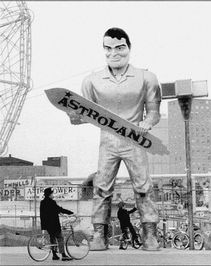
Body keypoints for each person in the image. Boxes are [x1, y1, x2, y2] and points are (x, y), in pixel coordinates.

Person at [68, 27, 161, 251]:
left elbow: (154, 111)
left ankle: (150, 233)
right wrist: (73, 116)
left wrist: (147, 123)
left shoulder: (146, 77)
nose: (114, 53)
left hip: (134, 139)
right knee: (101, 186)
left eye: (119, 47)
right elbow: (83, 115)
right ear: (103, 50)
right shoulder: (92, 81)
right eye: (108, 48)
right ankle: (99, 233)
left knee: (143, 186)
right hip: (108, 140)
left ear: (129, 48)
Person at [40, 187, 73, 261]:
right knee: (60, 238)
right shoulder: (52, 202)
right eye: (52, 193)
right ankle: (63, 255)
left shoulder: (42, 202)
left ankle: (54, 255)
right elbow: (60, 209)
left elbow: (42, 214)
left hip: (47, 225)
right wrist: (71, 212)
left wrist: (43, 226)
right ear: (49, 194)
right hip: (54, 224)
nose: (53, 195)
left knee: (52, 239)